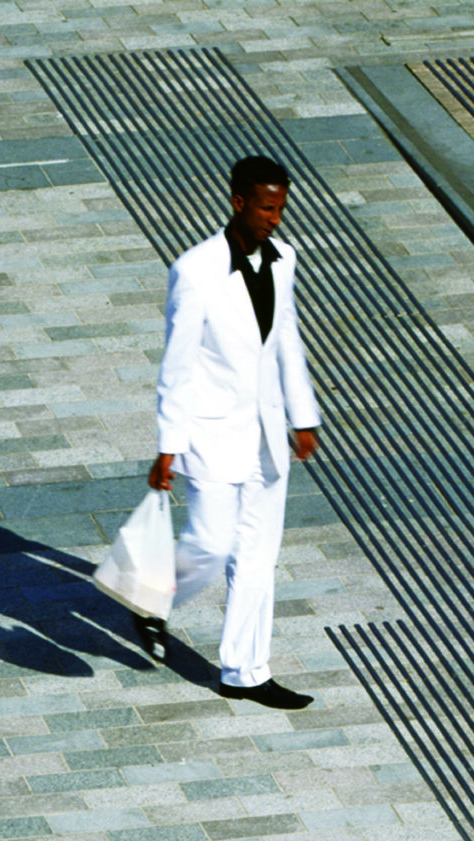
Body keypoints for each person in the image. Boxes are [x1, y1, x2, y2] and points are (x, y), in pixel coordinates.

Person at [148, 154, 322, 709]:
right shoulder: (196, 270)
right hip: (210, 432)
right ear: (239, 202)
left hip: (267, 433)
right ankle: (148, 592)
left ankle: (246, 672)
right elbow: (176, 365)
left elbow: (286, 338)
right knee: (211, 541)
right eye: (268, 208)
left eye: (282, 208)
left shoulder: (285, 259)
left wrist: (304, 415)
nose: (276, 218)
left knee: (256, 556)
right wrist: (168, 446)